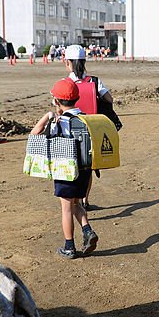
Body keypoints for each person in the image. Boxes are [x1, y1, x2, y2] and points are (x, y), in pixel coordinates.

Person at [30, 78, 99, 260]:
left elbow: (34, 134)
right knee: (75, 203)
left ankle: (69, 246)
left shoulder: (58, 122)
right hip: (85, 170)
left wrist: (48, 116)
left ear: (56, 101)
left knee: (66, 208)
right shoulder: (85, 118)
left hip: (65, 170)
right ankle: (87, 230)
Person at [63, 44, 116, 209]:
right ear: (84, 62)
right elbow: (109, 99)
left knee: (73, 163)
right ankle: (85, 200)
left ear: (67, 63)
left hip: (69, 128)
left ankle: (74, 201)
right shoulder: (94, 81)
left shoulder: (65, 83)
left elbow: (57, 106)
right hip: (91, 128)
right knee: (88, 166)